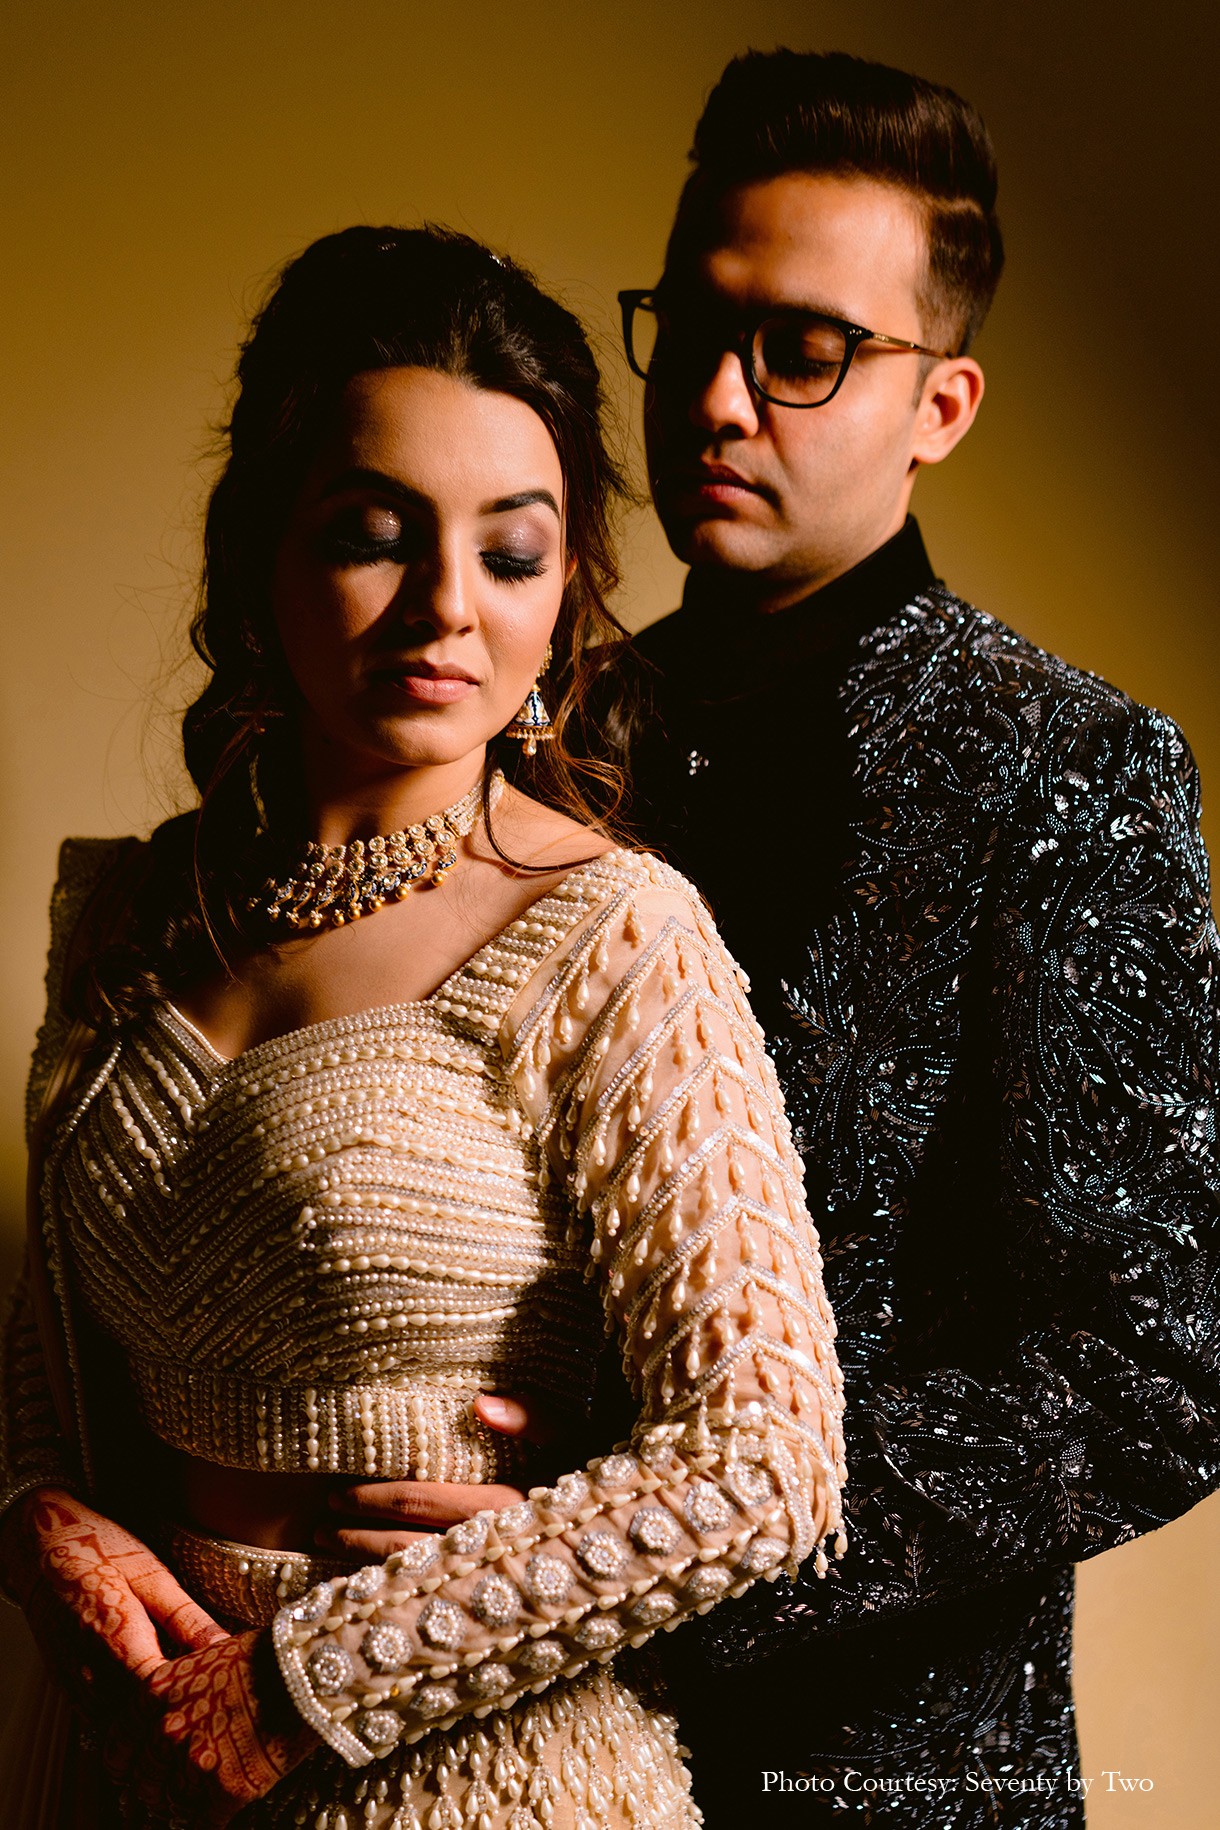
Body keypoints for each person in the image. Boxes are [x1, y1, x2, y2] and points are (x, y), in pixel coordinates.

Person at [413, 49, 1220, 1826]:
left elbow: (1160, 1372)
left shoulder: (1066, 765)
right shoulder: (522, 733)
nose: (716, 399)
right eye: (694, 328)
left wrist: (661, 1534)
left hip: (882, 1774)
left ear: (943, 403)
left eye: (803, 351)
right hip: (493, 1750)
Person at [0, 224, 847, 1829]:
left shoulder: (614, 933)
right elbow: (47, 1334)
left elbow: (769, 1456)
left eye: (511, 553)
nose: (445, 607)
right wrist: (29, 1508)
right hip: (124, 1745)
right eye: (373, 535)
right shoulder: (128, 910)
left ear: (566, 590)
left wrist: (315, 1675)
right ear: (260, 551)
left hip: (460, 1770)